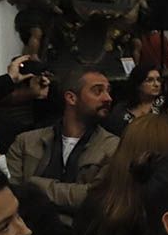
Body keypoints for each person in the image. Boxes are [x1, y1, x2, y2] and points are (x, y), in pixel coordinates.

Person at [7, 66, 119, 225]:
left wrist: (34, 184)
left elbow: (97, 198)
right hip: (29, 233)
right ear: (71, 98)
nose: (108, 98)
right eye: (97, 91)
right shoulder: (26, 142)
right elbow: (11, 193)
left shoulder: (113, 147)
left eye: (108, 91)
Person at [104, 66, 164, 137]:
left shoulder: (166, 105)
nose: (156, 84)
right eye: (150, 80)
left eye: (158, 80)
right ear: (138, 84)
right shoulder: (121, 110)